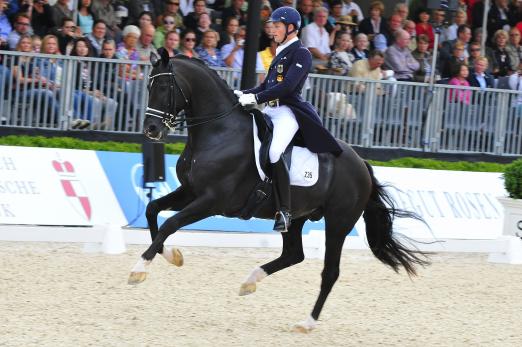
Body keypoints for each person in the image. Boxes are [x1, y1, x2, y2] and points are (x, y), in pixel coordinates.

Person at [235, 7, 343, 232]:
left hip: (288, 111)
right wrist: (241, 93)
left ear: (291, 28)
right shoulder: (280, 51)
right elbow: (266, 86)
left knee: (274, 152)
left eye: (277, 25)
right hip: (270, 109)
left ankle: (284, 210)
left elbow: (287, 87)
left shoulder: (301, 53)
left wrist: (255, 97)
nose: (273, 29)